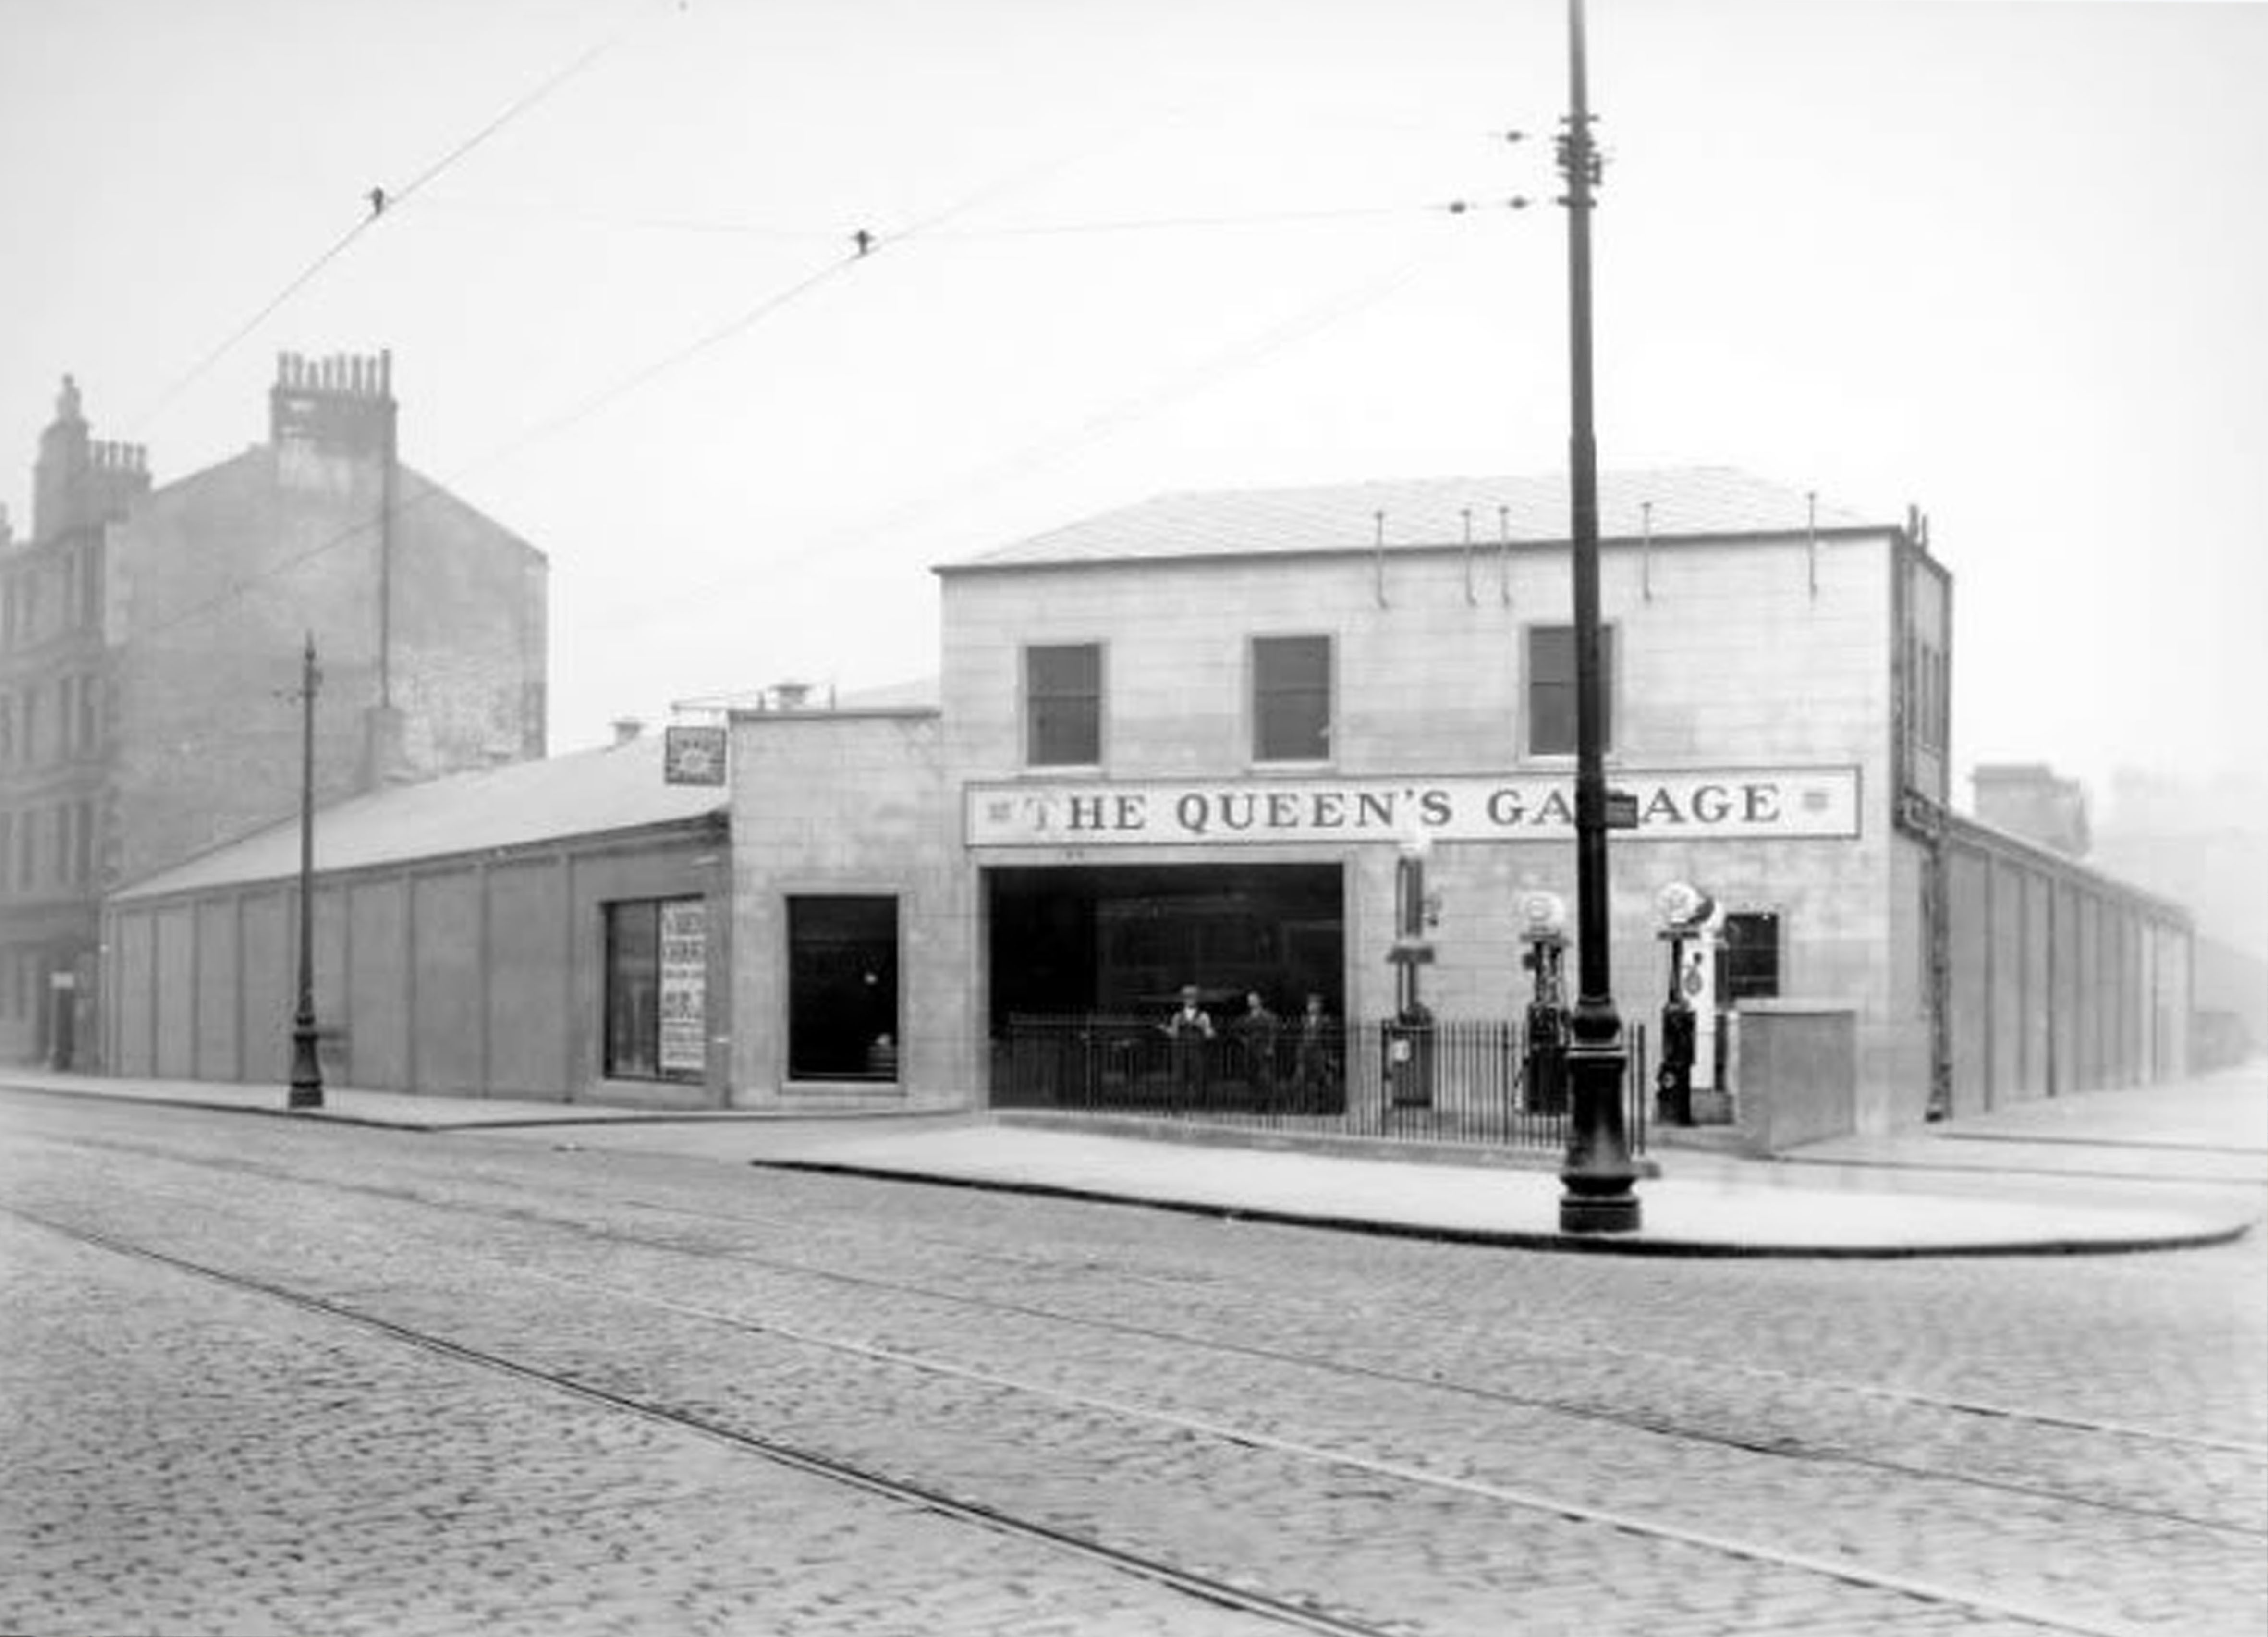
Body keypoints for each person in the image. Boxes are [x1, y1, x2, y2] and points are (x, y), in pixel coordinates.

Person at [1162, 984, 1214, 1102]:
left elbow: (1209, 1034)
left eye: (1192, 996)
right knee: (1179, 1077)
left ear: (1197, 999)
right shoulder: (1177, 1016)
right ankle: (1179, 1103)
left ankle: (1200, 1103)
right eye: (1187, 997)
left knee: (1199, 1077)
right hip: (1181, 1050)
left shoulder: (1204, 1016)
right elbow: (1174, 1034)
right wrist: (1166, 1030)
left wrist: (1205, 1029)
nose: (1190, 999)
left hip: (1197, 1050)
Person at [1293, 992, 1338, 1112]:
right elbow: (1300, 1038)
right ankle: (1301, 1107)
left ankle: (1318, 1108)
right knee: (1301, 1081)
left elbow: (1329, 1040)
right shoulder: (1304, 1020)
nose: (1311, 1006)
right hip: (1305, 1054)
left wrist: (1330, 1057)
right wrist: (1299, 1055)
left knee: (1317, 1083)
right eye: (1310, 1004)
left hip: (1319, 1054)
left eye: (1314, 1004)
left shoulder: (1325, 1020)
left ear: (1319, 1006)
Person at [1235, 991, 1280, 1103]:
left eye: (1254, 999)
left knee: (1266, 1077)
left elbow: (1273, 1032)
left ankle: (1267, 1101)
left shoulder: (1268, 1016)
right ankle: (1256, 1101)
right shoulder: (1246, 1018)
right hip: (1250, 1050)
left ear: (1260, 1001)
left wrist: (1271, 1047)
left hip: (1263, 1049)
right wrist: (1243, 1040)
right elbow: (1237, 1031)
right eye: (1249, 1000)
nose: (1251, 1002)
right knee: (1251, 1076)